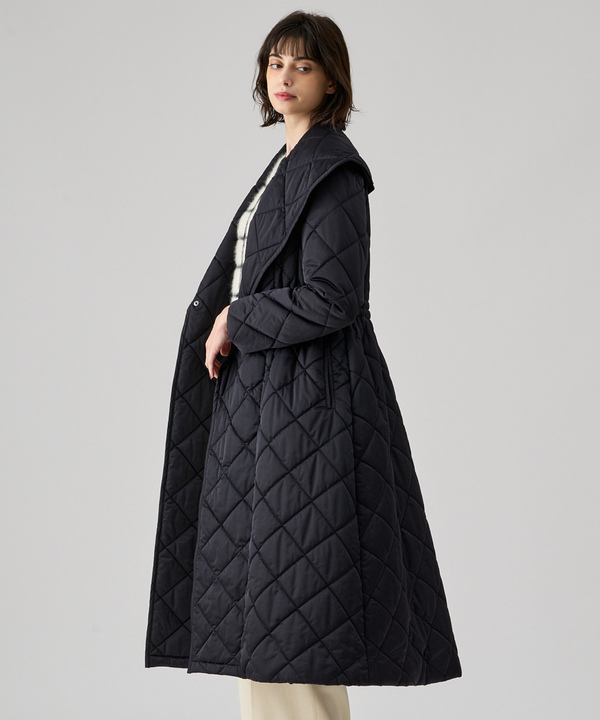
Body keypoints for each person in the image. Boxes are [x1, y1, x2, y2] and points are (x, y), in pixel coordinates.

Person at [145, 11, 462, 720]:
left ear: (332, 81)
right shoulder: (286, 166)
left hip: (305, 411)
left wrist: (238, 319)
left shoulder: (331, 169)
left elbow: (336, 296)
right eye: (275, 63)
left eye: (304, 65)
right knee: (262, 628)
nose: (284, 76)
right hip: (263, 407)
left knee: (293, 625)